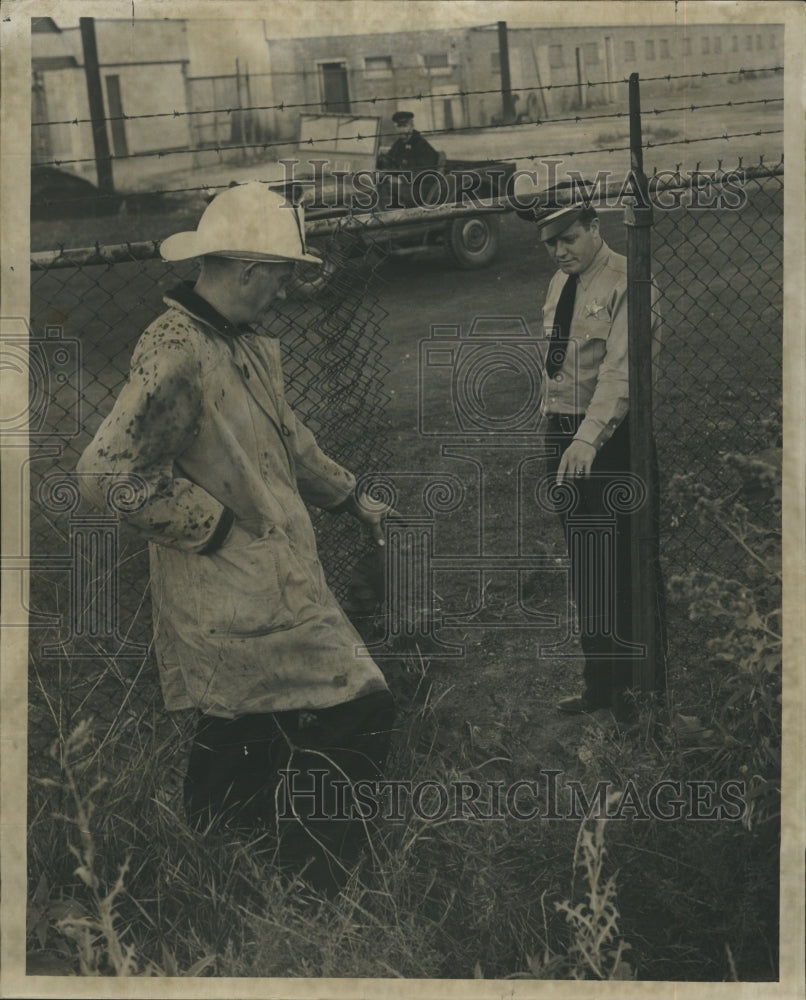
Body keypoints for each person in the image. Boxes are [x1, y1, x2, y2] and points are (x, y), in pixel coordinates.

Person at [77, 182, 395, 892]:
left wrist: (349, 496)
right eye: (283, 276)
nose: (285, 293)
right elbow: (105, 473)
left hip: (266, 582)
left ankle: (223, 878)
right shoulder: (176, 349)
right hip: (232, 591)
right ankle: (316, 882)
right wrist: (213, 525)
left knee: (242, 729)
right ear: (249, 268)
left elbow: (289, 440)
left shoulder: (238, 343)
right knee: (360, 705)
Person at [535, 203, 666, 720]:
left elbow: (621, 376)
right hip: (567, 437)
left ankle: (639, 699)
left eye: (569, 238)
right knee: (589, 566)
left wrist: (586, 440)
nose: (560, 251)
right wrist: (561, 435)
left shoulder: (629, 283)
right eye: (551, 244)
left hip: (611, 443)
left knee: (627, 568)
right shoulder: (559, 283)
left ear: (595, 227)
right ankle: (601, 687)